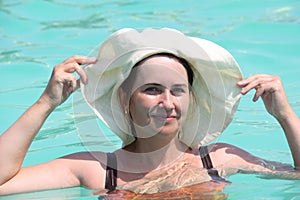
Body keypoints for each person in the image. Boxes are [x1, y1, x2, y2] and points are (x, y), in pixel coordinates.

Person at [0, 28, 299, 197]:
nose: (168, 102)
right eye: (152, 89)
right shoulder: (97, 170)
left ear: (191, 99)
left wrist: (284, 115)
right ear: (125, 99)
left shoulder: (220, 159)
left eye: (177, 90)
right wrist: (45, 103)